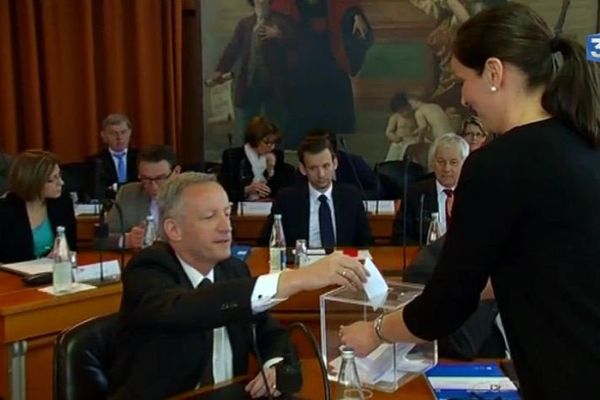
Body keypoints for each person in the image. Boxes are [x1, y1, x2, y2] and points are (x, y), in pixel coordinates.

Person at [339, 4, 600, 399]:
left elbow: (448, 304)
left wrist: (375, 331)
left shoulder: (496, 165)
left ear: (494, 73)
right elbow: (545, 264)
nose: (462, 96)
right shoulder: (585, 143)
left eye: (464, 79)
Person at [109, 172, 368, 399]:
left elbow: (272, 333)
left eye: (227, 213)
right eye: (210, 217)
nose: (226, 226)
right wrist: (296, 278)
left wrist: (275, 364)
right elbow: (188, 308)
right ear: (174, 230)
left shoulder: (231, 269)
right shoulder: (148, 269)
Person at [262, 134, 373, 248]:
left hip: (341, 263)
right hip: (302, 264)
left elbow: (366, 243)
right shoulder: (286, 200)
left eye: (326, 166)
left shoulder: (351, 197)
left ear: (335, 164)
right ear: (303, 169)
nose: (321, 174)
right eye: (313, 168)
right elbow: (266, 244)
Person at [212, 0, 296, 140]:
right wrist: (220, 69)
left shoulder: (282, 21)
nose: (262, 6)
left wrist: (279, 34)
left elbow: (297, 41)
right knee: (247, 125)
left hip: (275, 84)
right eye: (258, 3)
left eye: (265, 3)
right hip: (249, 82)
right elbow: (233, 49)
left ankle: (275, 158)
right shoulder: (245, 24)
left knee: (275, 125)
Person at [391, 133, 468, 245]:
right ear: (433, 163)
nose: (447, 169)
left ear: (464, 164)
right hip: (426, 259)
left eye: (453, 162)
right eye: (441, 162)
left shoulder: (473, 193)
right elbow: (400, 237)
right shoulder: (415, 194)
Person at [0, 150, 76, 263]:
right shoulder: (6, 209)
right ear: (32, 182)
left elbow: (70, 245)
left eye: (59, 176)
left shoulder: (62, 202)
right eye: (51, 180)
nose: (61, 182)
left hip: (53, 271)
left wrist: (62, 253)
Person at [107, 145, 180, 249]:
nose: (154, 186)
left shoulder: (193, 197)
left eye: (160, 178)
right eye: (146, 179)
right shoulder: (128, 193)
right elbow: (101, 239)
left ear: (176, 172)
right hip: (142, 262)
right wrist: (127, 240)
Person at [218, 116, 293, 203]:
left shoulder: (277, 155)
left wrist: (271, 171)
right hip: (241, 208)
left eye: (274, 143)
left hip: (267, 207)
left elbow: (281, 190)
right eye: (267, 143)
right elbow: (225, 189)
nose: (272, 147)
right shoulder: (233, 156)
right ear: (254, 139)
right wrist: (246, 190)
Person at [88, 113, 139, 199]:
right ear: (103, 136)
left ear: (130, 133)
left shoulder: (141, 158)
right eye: (113, 133)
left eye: (123, 132)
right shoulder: (95, 161)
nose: (119, 137)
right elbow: (98, 190)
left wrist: (114, 187)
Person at [384, 93, 418, 162]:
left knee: (413, 157)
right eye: (400, 112)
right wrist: (394, 137)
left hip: (412, 141)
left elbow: (421, 127)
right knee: (394, 155)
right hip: (399, 141)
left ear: (409, 106)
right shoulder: (395, 117)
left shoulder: (416, 115)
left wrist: (417, 132)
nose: (404, 113)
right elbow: (389, 131)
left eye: (405, 110)